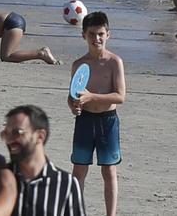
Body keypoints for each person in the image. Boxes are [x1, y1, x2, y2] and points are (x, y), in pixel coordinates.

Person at [0, 105, 85, 216]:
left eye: (16, 133)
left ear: (40, 136)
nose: (10, 140)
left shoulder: (67, 184)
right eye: (6, 134)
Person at [66, 13, 125, 216]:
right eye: (92, 34)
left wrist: (92, 97)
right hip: (85, 121)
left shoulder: (114, 62)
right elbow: (72, 95)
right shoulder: (79, 65)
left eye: (100, 34)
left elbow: (120, 96)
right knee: (79, 170)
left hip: (107, 122)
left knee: (109, 171)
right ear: (84, 35)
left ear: (108, 34)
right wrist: (74, 106)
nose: (96, 38)